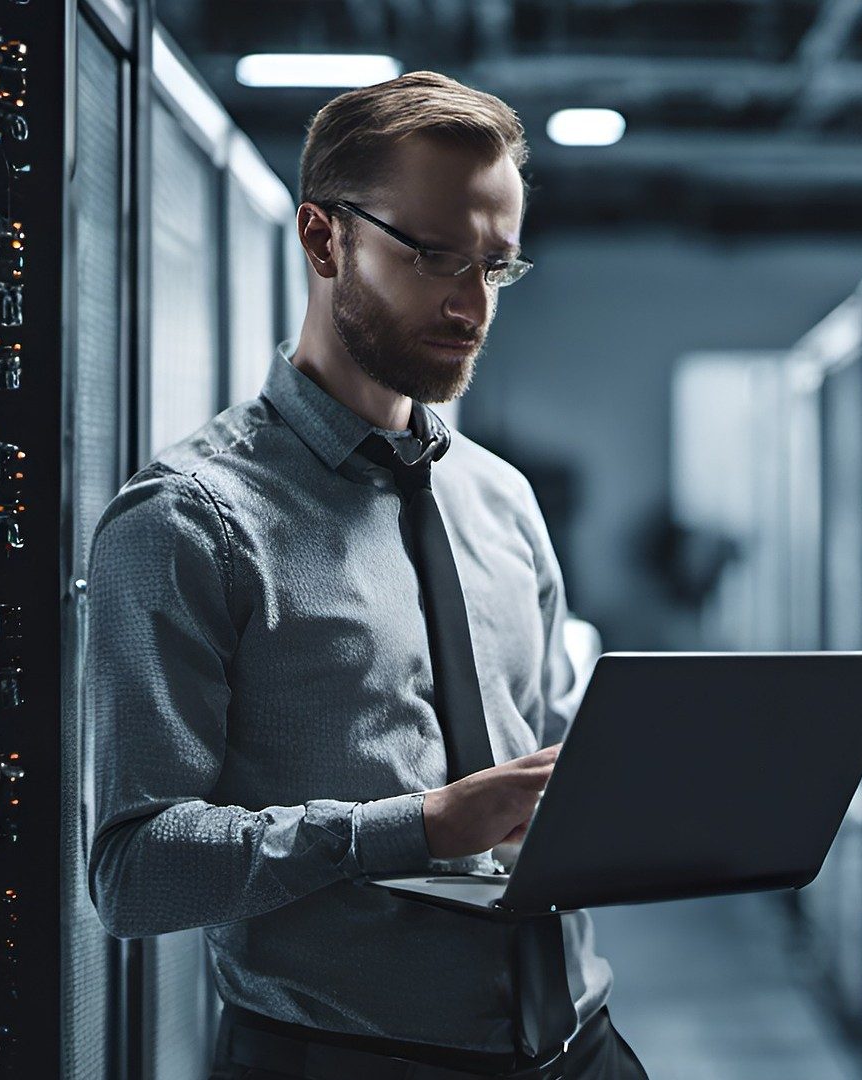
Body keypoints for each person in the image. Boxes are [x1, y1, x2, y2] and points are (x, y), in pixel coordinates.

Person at [85, 71, 648, 1079]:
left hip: (581, 1047)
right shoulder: (189, 521)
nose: (471, 304)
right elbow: (135, 872)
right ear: (322, 239)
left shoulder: (502, 499)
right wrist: (417, 828)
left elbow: (559, 764)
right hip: (345, 1059)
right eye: (434, 255)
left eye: (496, 267)